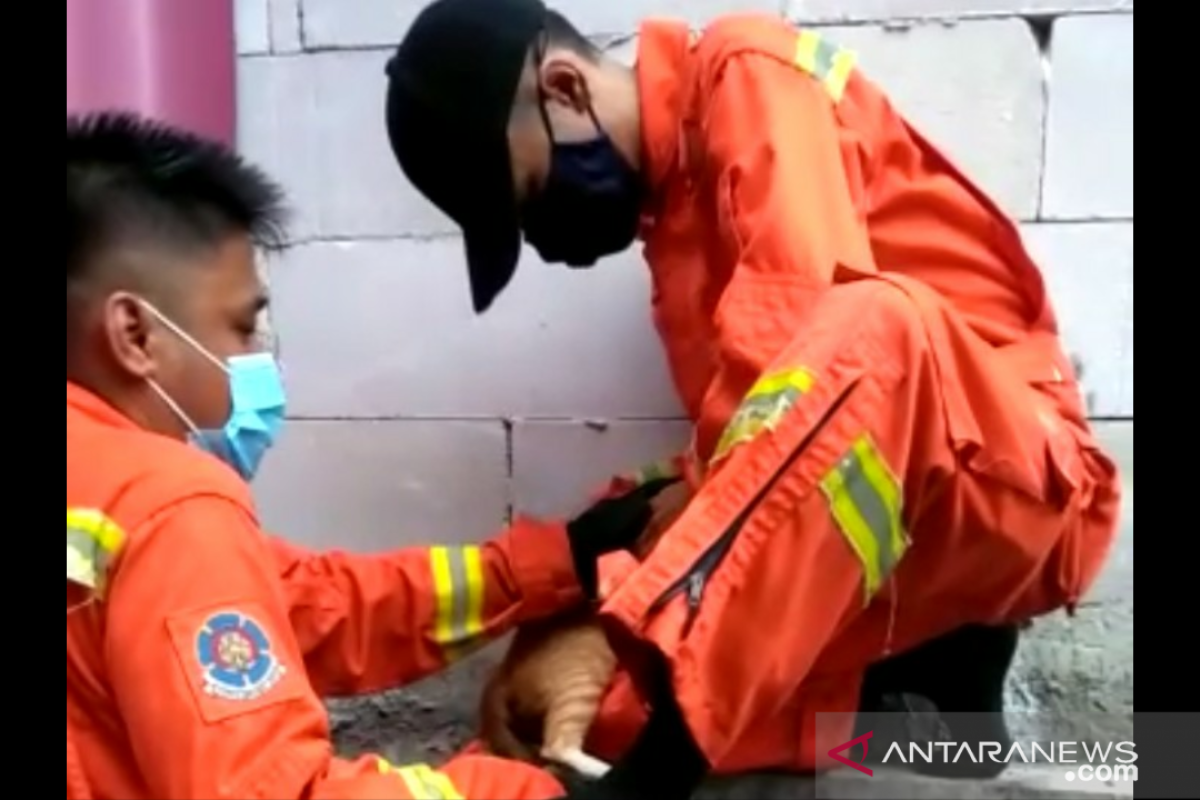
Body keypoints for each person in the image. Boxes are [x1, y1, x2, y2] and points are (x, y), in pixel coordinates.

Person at [381, 0, 1123, 791]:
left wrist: (629, 630)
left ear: (565, 89)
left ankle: (668, 770)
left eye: (529, 196)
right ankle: (930, 728)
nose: (545, 239)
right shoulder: (674, 235)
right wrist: (568, 628)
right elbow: (736, 455)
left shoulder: (747, 73)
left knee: (871, 324)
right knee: (590, 705)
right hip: (880, 534)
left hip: (1004, 479)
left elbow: (809, 379)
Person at [65, 109, 683, 800]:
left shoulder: (104, 494)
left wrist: (554, 560)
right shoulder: (168, 508)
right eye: (242, 327)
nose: (259, 359)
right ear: (135, 334)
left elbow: (320, 609)